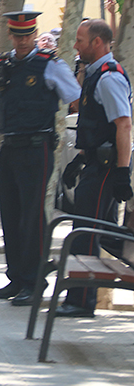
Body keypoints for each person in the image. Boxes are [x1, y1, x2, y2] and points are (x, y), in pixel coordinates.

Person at [0, 11, 80, 307]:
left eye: (27, 35)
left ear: (35, 35)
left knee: (33, 216)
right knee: (11, 214)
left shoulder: (50, 65)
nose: (21, 41)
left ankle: (34, 281)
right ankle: (16, 277)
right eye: (17, 36)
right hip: (10, 146)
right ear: (10, 35)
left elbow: (75, 95)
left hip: (38, 147)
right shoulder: (3, 67)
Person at [58, 19, 132, 317]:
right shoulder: (93, 75)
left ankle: (81, 300)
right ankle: (83, 295)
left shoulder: (108, 77)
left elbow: (123, 125)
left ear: (98, 43)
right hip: (95, 163)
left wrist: (121, 172)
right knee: (107, 234)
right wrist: (79, 160)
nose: (75, 45)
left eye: (80, 40)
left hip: (105, 168)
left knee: (85, 232)